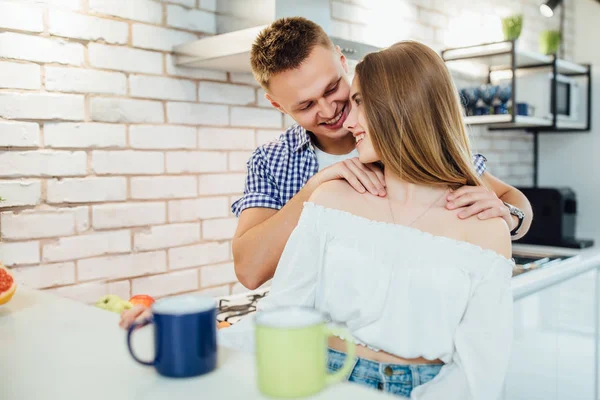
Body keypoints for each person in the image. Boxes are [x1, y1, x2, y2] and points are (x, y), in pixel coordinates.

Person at [219, 40, 514, 399]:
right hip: (323, 378)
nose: (346, 118)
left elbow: (479, 372)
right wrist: (192, 338)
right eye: (306, 104)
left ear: (402, 107)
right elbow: (280, 310)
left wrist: (510, 218)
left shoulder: (484, 225)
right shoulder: (328, 195)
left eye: (353, 100)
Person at [231, 17, 531, 290]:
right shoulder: (271, 161)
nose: (329, 110)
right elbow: (250, 270)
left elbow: (513, 202)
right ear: (278, 105)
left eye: (332, 88)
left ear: (341, 60)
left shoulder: (404, 143)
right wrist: (313, 189)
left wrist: (509, 218)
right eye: (306, 105)